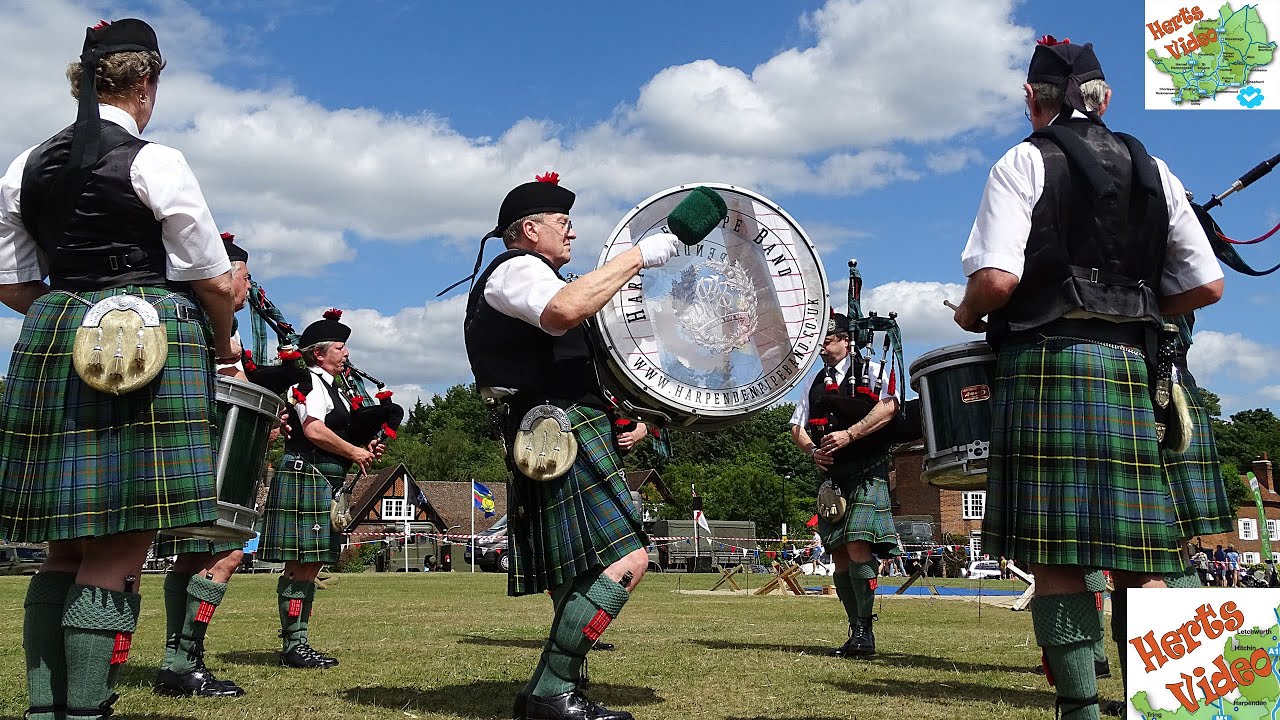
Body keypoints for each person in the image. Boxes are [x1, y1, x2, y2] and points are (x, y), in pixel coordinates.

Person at [953, 36, 1225, 720]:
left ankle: (1078, 710)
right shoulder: (1153, 166)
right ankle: (1166, 707)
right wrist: (1134, 307)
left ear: (1031, 99)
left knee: (1057, 558)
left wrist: (965, 312)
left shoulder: (1023, 159)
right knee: (1147, 559)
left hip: (1050, 363)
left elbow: (996, 280)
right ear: (1107, 100)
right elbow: (1208, 284)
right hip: (1134, 368)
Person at [0, 19, 239, 720]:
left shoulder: (22, 165)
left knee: (65, 549)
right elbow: (214, 281)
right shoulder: (154, 160)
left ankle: (46, 711)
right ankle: (85, 713)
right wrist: (222, 342)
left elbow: (9, 282)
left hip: (53, 334)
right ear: (144, 83)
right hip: (145, 344)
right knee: (119, 546)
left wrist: (69, 317)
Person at [462, 172, 683, 720]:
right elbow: (562, 311)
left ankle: (558, 689)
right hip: (556, 429)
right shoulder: (517, 271)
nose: (573, 233)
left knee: (580, 572)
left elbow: (585, 355)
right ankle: (549, 692)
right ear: (529, 230)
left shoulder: (537, 274)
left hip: (569, 424)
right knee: (627, 558)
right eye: (563, 223)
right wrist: (639, 256)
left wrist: (628, 418)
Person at [150, 233, 257, 697]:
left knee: (195, 556)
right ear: (226, 276)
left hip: (199, 449)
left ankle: (180, 660)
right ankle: (179, 660)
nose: (250, 289)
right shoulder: (199, 320)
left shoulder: (215, 324)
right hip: (197, 448)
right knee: (224, 553)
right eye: (247, 278)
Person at [257, 310, 384, 669]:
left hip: (321, 477)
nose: (346, 354)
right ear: (319, 353)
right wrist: (353, 451)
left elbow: (335, 432)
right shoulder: (310, 384)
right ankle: (294, 646)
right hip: (306, 474)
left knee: (309, 566)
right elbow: (312, 430)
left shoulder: (334, 389)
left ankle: (298, 643)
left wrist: (361, 448)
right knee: (301, 564)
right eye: (340, 348)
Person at [789, 312, 901, 659]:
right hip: (833, 480)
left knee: (856, 545)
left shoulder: (873, 371)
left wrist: (850, 434)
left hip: (867, 471)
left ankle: (866, 628)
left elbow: (890, 406)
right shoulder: (814, 381)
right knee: (838, 555)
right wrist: (812, 452)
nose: (822, 346)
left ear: (847, 341)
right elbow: (796, 426)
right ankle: (855, 628)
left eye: (828, 338)